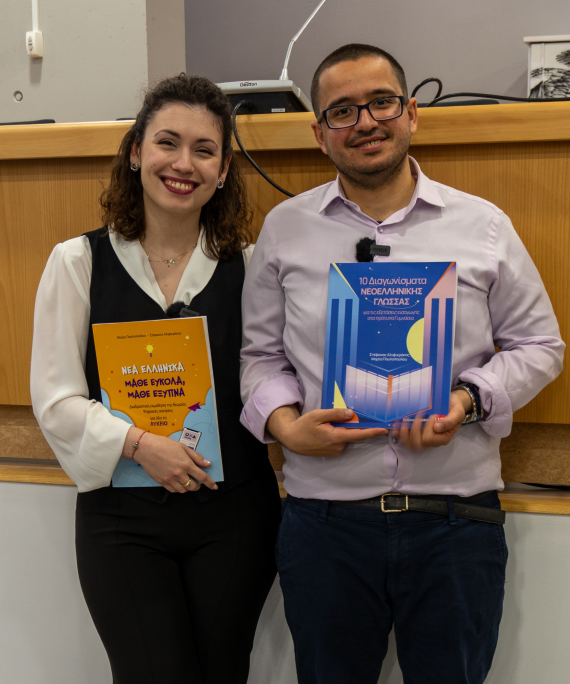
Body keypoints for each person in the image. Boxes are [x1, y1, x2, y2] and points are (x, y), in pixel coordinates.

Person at [240, 44, 565, 684]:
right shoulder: (284, 229)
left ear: (411, 112)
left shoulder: (483, 226)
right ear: (320, 133)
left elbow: (540, 345)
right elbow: (260, 356)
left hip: (455, 524)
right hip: (326, 526)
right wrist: (285, 426)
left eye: (381, 102)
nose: (365, 122)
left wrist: (467, 400)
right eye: (342, 110)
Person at [31, 74, 281, 684]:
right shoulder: (77, 262)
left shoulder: (252, 268)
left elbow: (273, 377)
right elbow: (55, 398)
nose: (183, 164)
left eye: (204, 150)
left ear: (224, 170)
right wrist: (140, 444)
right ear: (136, 151)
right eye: (167, 142)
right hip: (122, 520)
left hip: (235, 516)